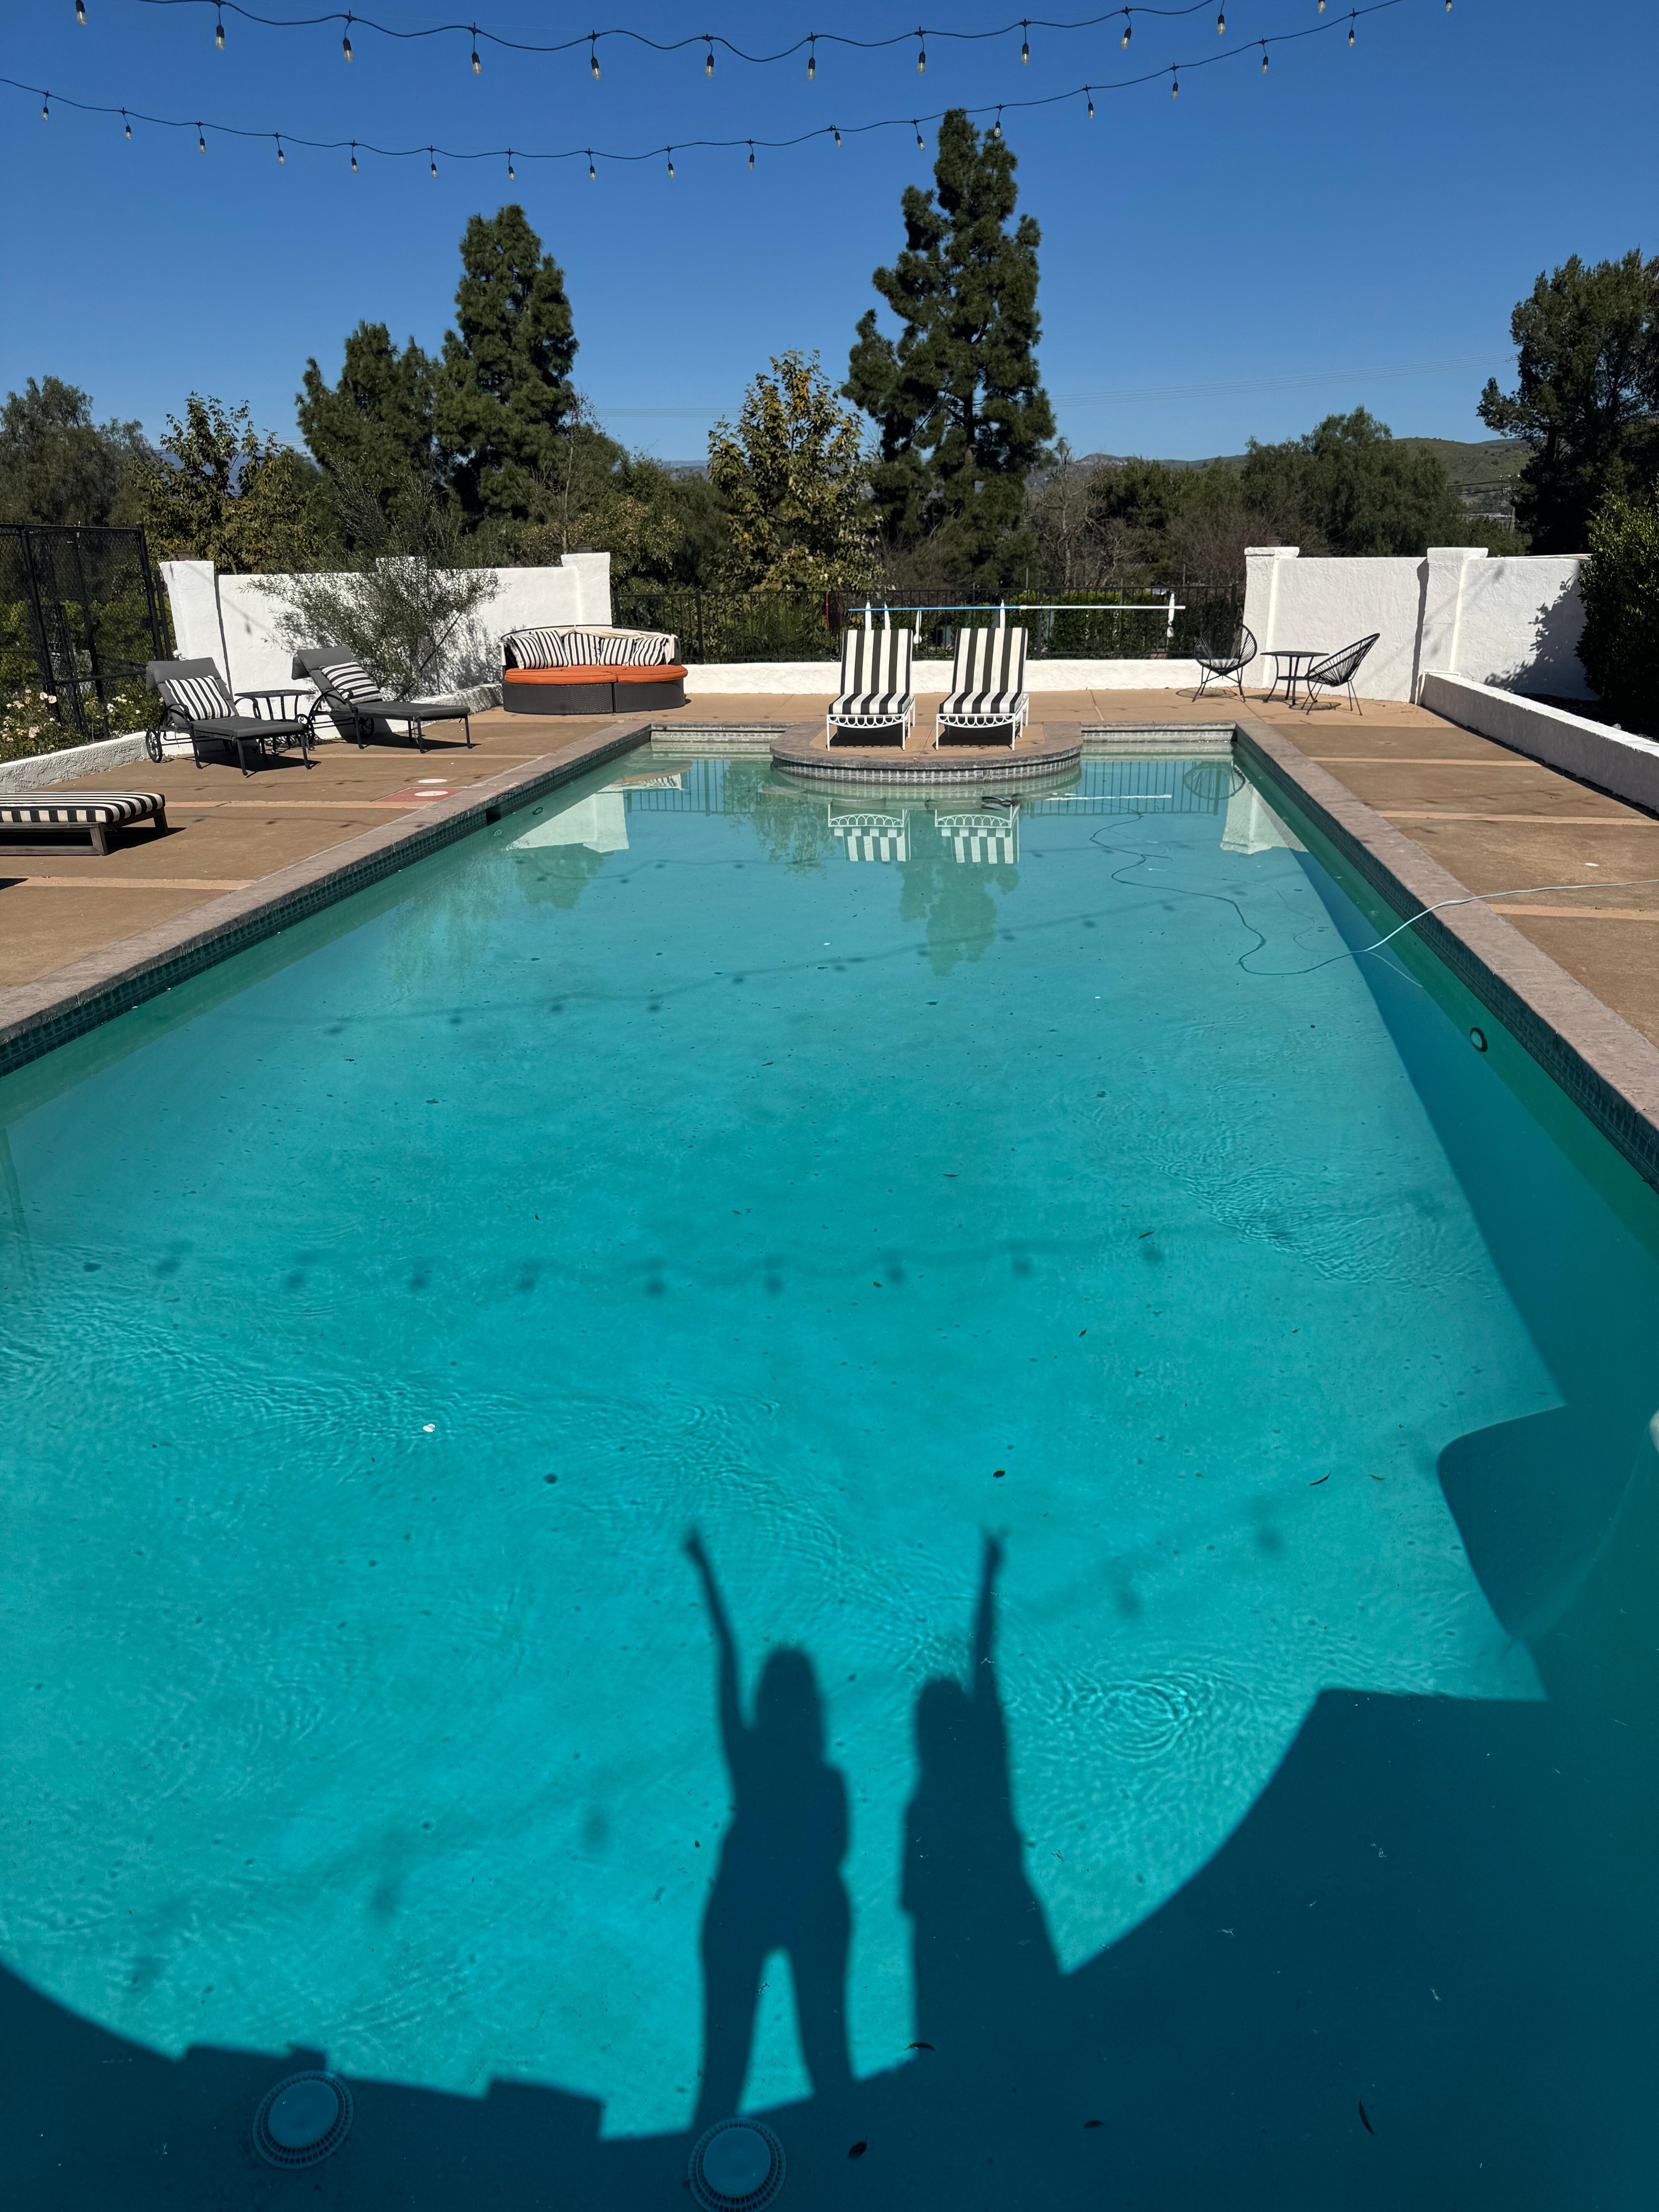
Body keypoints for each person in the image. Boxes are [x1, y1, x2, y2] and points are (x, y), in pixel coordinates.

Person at [684, 1532, 854, 2128]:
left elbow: (726, 1661)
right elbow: (836, 1854)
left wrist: (706, 1571)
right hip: (805, 1909)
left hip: (742, 1907)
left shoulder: (749, 1758)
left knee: (725, 2076)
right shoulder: (824, 1781)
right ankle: (849, 2170)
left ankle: (699, 2179)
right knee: (828, 2064)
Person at [902, 1532, 1059, 2057]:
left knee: (964, 2058)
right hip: (1009, 1916)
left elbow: (911, 1898)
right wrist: (989, 1577)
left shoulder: (922, 1806)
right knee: (1037, 2041)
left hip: (952, 1947)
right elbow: (983, 1659)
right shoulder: (987, 1759)